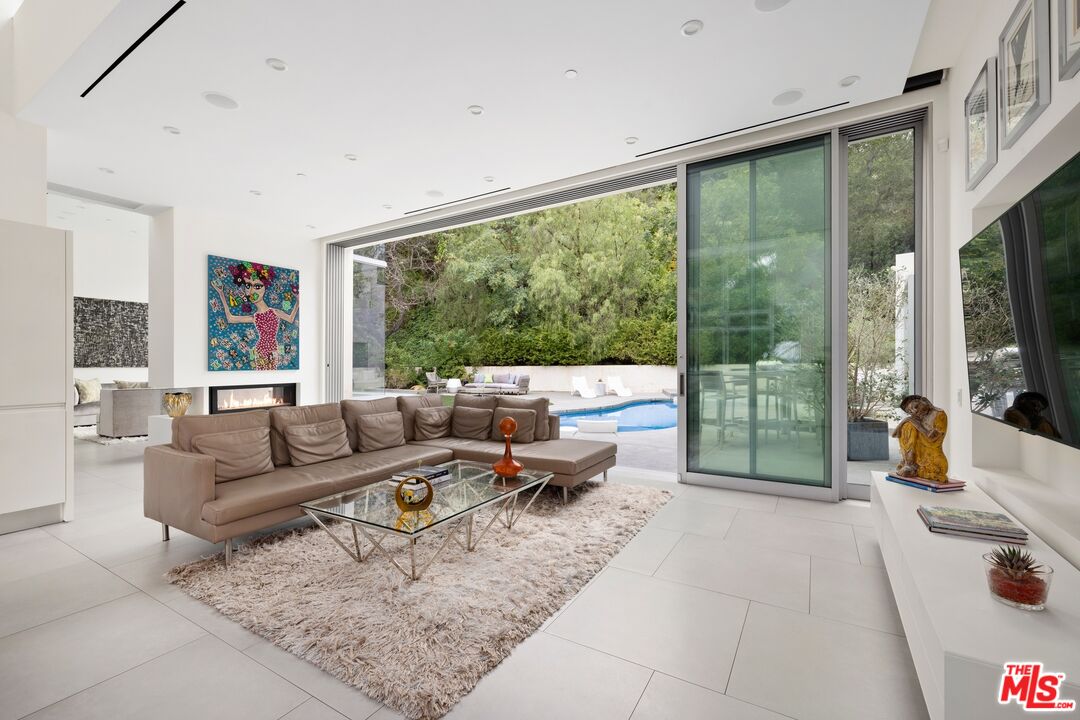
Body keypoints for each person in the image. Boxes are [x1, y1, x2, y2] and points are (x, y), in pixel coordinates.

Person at [212, 261, 298, 370]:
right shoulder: (255, 317)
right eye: (248, 286)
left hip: (273, 349)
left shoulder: (274, 312)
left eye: (257, 286)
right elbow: (230, 318)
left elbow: (290, 319)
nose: (251, 291)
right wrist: (221, 294)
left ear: (265, 288)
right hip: (260, 350)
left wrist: (298, 301)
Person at [892, 394, 949, 483]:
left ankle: (912, 466)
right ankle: (909, 463)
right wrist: (906, 420)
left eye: (916, 406)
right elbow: (895, 434)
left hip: (931, 454)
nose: (915, 411)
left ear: (924, 400)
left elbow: (932, 438)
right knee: (907, 426)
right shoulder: (917, 418)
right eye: (910, 412)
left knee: (937, 469)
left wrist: (914, 422)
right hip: (917, 454)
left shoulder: (939, 414)